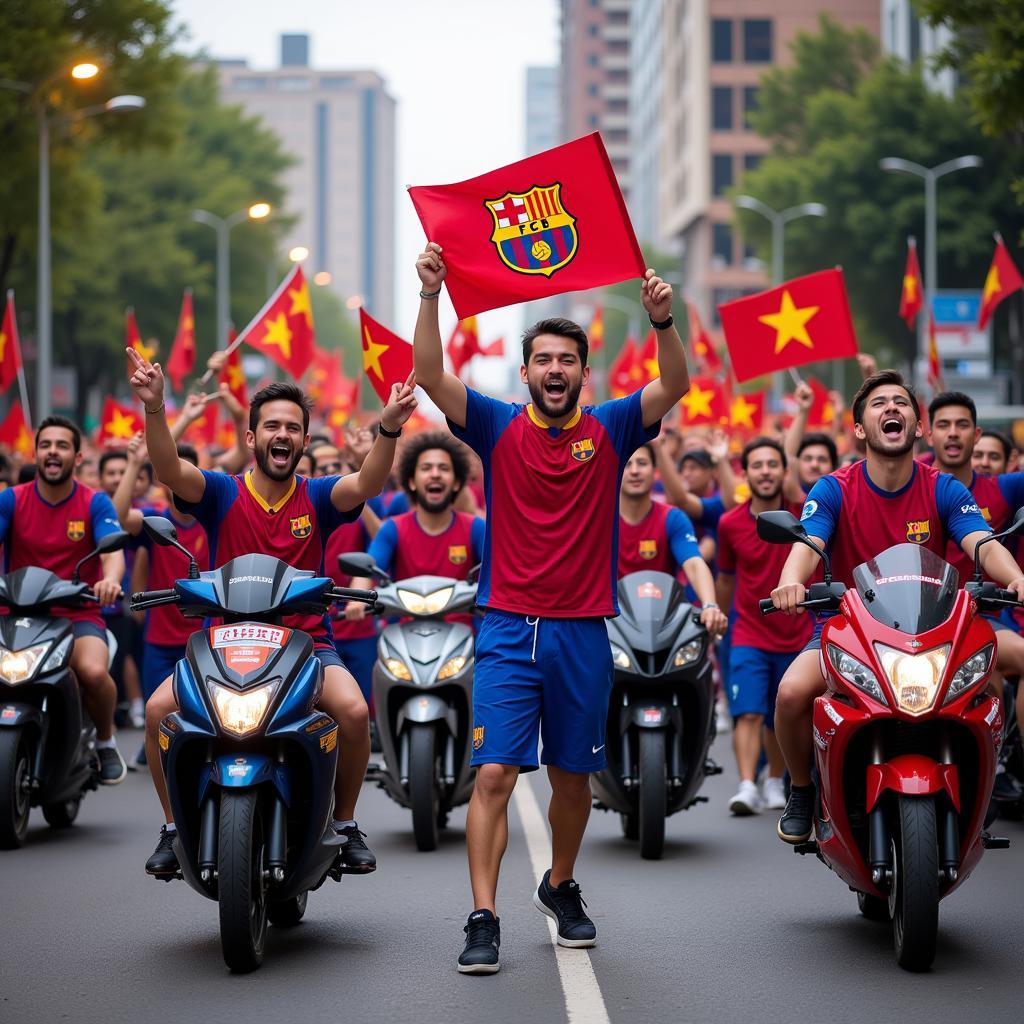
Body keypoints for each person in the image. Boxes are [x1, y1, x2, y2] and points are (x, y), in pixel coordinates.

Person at [414, 241, 689, 974]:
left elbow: (676, 384)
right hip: (506, 630)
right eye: (545, 361)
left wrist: (664, 322)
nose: (556, 371)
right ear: (527, 370)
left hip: (583, 634)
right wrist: (432, 295)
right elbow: (431, 376)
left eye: (568, 361)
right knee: (496, 776)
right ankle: (482, 917)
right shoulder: (497, 425)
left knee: (573, 781)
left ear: (583, 372)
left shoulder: (613, 426)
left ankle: (560, 885)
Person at [126, 346, 417, 876]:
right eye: (271, 426)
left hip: (308, 646)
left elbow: (368, 484)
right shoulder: (220, 493)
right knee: (154, 712)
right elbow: (169, 468)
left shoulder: (320, 497)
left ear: (305, 441)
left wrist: (389, 430)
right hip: (220, 647)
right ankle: (173, 829)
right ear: (252, 437)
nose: (281, 435)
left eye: (292, 428)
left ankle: (346, 824)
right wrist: (155, 407)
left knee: (353, 713)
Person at [770, 370, 1024, 843]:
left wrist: (1016, 577)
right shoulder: (834, 488)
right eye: (879, 403)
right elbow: (807, 545)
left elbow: (983, 544)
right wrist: (790, 582)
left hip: (930, 631)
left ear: (917, 426)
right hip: (846, 630)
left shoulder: (944, 488)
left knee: (985, 694)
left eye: (902, 403)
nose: (892, 408)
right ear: (861, 429)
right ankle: (802, 789)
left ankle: (982, 786)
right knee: (789, 694)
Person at [0, 417, 128, 783]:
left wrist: (110, 580)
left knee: (92, 672)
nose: (52, 452)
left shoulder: (95, 503)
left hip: (77, 614)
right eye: (45, 445)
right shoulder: (11, 499)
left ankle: (104, 741)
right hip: (16, 615)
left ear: (77, 456)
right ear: (36, 453)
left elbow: (112, 552)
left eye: (61, 446)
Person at [927, 391, 1024, 800]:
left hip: (980, 620)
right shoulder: (913, 483)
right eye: (944, 425)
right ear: (926, 434)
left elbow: (985, 544)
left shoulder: (1003, 490)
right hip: (912, 624)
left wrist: (1017, 579)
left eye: (962, 425)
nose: (953, 434)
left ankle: (1001, 761)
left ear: (976, 433)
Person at [716, 438, 812, 815]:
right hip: (749, 634)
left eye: (773, 464)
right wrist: (720, 620)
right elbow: (725, 579)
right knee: (749, 711)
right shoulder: (729, 523)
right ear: (745, 474)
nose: (765, 472)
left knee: (780, 713)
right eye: (757, 465)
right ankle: (745, 785)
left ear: (784, 472)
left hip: (797, 634)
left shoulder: (804, 515)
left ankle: (774, 781)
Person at [348, 430, 486, 630]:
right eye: (426, 468)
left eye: (444, 468)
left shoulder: (476, 528)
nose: (435, 474)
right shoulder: (393, 528)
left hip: (464, 639)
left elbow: (498, 572)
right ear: (411, 482)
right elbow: (367, 570)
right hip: (400, 634)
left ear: (456, 483)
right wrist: (356, 600)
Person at [618, 442, 727, 635]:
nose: (634, 471)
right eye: (627, 464)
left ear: (655, 470)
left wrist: (710, 605)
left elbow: (693, 562)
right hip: (614, 624)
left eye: (642, 463)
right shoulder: (601, 518)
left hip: (664, 625)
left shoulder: (672, 518)